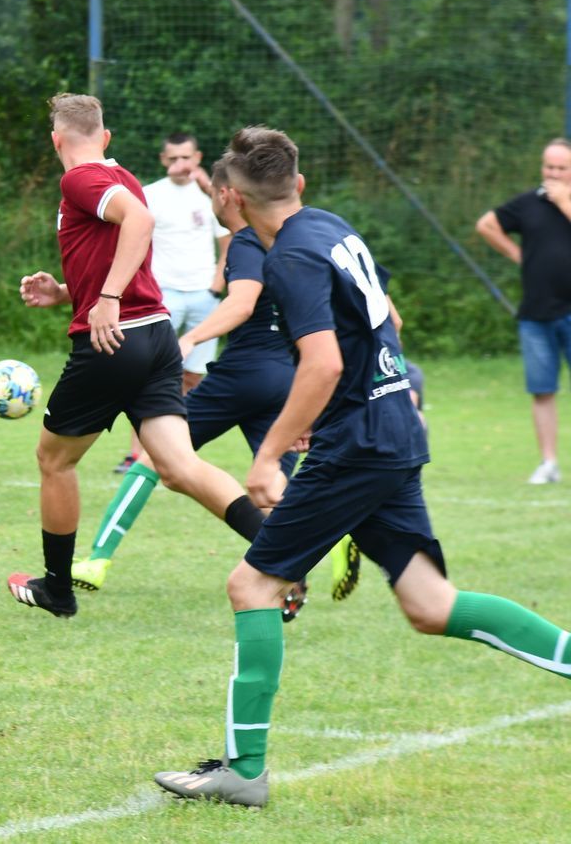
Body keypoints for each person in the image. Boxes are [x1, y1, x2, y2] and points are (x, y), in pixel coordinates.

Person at [154, 126, 571, 809]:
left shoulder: (289, 258)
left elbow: (322, 362)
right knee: (431, 605)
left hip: (358, 445)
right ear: (298, 184)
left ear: (230, 197)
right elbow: (389, 326)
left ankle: (244, 770)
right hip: (391, 427)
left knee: (252, 585)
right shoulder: (331, 226)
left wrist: (269, 454)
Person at [5, 94, 273, 620]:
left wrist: (105, 300)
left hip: (114, 342)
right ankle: (283, 553)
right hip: (155, 336)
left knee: (54, 460)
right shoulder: (120, 175)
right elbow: (121, 247)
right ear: (105, 137)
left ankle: (57, 589)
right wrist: (67, 292)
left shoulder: (78, 179)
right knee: (178, 467)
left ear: (56, 141)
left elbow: (140, 223)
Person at [70, 159, 359, 606]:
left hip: (242, 375)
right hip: (288, 374)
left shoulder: (245, 242)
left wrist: (191, 338)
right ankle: (315, 553)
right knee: (268, 489)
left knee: (155, 458)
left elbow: (242, 303)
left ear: (226, 195)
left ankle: (97, 559)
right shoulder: (293, 241)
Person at [111, 133, 230, 474]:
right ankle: (136, 454)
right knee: (147, 375)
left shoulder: (211, 197)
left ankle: (178, 454)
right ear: (164, 160)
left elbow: (228, 243)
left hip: (203, 296)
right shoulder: (149, 195)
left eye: (186, 158)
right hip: (162, 296)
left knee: (193, 377)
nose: (180, 164)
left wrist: (215, 287)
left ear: (198, 158)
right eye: (173, 158)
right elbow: (132, 240)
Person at [475, 138, 571, 484]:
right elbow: (486, 224)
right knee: (542, 391)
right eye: (549, 167)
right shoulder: (528, 203)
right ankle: (548, 463)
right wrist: (519, 255)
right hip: (536, 314)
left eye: (561, 168)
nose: (553, 173)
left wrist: (565, 203)